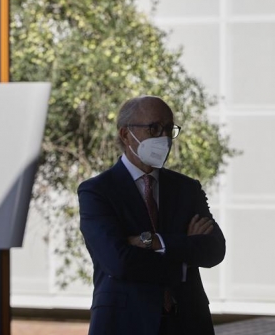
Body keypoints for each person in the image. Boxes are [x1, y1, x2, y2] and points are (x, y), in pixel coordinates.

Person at [78, 96, 226, 335]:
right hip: (124, 323)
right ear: (126, 135)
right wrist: (183, 261)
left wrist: (153, 241)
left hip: (187, 321)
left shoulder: (187, 189)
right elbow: (117, 261)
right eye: (154, 128)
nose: (164, 137)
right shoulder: (97, 191)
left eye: (169, 129)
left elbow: (214, 250)